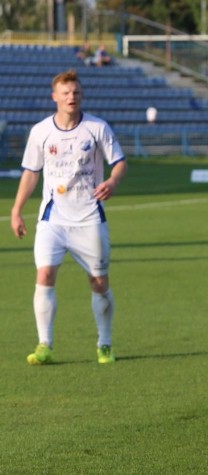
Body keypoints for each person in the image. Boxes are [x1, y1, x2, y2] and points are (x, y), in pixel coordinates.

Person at [9, 70, 127, 365]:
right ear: (55, 97)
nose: (71, 97)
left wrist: (112, 182)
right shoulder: (40, 132)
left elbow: (120, 163)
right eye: (65, 93)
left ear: (81, 95)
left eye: (75, 92)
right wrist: (16, 210)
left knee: (99, 282)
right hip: (53, 220)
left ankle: (105, 344)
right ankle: (44, 345)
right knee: (45, 275)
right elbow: (30, 173)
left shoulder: (97, 128)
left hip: (89, 218)